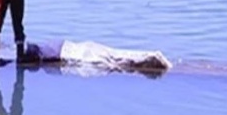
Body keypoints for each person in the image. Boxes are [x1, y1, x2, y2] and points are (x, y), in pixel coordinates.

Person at [17, 39, 172, 73]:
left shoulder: (41, 54)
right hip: (77, 48)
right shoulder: (43, 48)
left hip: (77, 53)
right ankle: (151, 59)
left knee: (116, 63)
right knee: (115, 57)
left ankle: (151, 59)